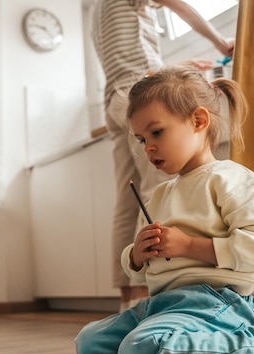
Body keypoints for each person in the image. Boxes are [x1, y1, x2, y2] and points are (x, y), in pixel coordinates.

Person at [75, 65, 254, 354]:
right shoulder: (159, 195)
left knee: (140, 350)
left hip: (218, 301)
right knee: (89, 344)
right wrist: (136, 255)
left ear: (199, 121)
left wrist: (188, 245)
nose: (147, 146)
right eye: (141, 138)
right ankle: (175, 343)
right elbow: (143, 264)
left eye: (156, 132)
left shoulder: (230, 178)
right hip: (162, 303)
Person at [92, 0, 235, 311]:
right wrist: (222, 43)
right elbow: (180, 6)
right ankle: (149, 294)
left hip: (114, 103)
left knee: (127, 201)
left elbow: (123, 58)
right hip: (138, 92)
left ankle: (127, 301)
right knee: (155, 191)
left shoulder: (98, 10)